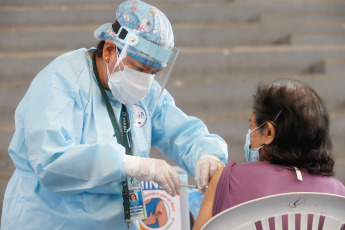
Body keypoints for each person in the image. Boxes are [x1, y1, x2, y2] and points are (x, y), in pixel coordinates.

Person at [1, 1, 227, 229]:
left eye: (154, 72)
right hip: (50, 220)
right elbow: (50, 161)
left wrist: (207, 155)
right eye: (139, 69)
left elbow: (181, 131)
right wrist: (128, 165)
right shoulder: (61, 82)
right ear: (109, 50)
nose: (145, 80)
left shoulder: (144, 94)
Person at [193, 79, 345, 230]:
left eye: (251, 126)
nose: (249, 135)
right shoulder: (338, 194)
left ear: (269, 132)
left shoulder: (227, 179)